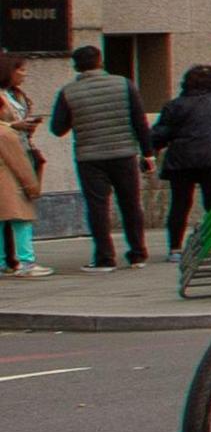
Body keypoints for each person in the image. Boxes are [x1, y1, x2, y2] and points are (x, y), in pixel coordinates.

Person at [46, 45, 149, 266]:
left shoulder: (68, 92)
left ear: (76, 67)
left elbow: (57, 128)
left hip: (89, 157)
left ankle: (104, 257)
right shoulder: (124, 84)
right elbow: (139, 121)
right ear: (100, 61)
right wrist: (148, 153)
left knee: (97, 206)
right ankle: (138, 252)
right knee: (130, 203)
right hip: (124, 153)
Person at [149, 66, 211, 252]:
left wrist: (151, 151)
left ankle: (175, 247)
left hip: (181, 161)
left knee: (180, 204)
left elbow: (160, 134)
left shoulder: (175, 105)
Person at [0, 57, 40, 278]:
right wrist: (13, 126)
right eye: (21, 69)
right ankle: (26, 261)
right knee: (20, 213)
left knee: (6, 214)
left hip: (13, 154)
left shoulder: (15, 95)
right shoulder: (3, 97)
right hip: (9, 160)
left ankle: (6, 261)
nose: (24, 74)